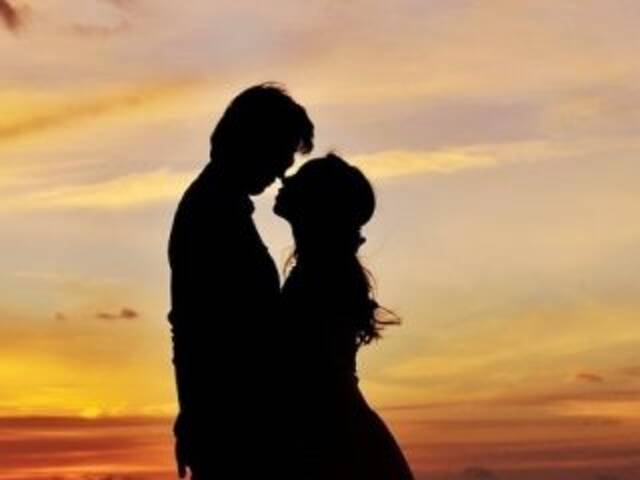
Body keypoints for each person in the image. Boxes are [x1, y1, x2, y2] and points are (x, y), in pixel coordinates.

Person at [167, 83, 314, 479]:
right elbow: (195, 326)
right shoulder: (210, 211)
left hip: (236, 420)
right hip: (235, 425)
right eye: (283, 151)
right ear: (255, 142)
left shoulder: (221, 206)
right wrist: (196, 417)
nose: (285, 169)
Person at [274, 153, 415, 479]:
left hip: (336, 444)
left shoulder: (319, 278)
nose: (286, 179)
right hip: (340, 437)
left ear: (317, 206)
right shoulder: (322, 272)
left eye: (301, 178)